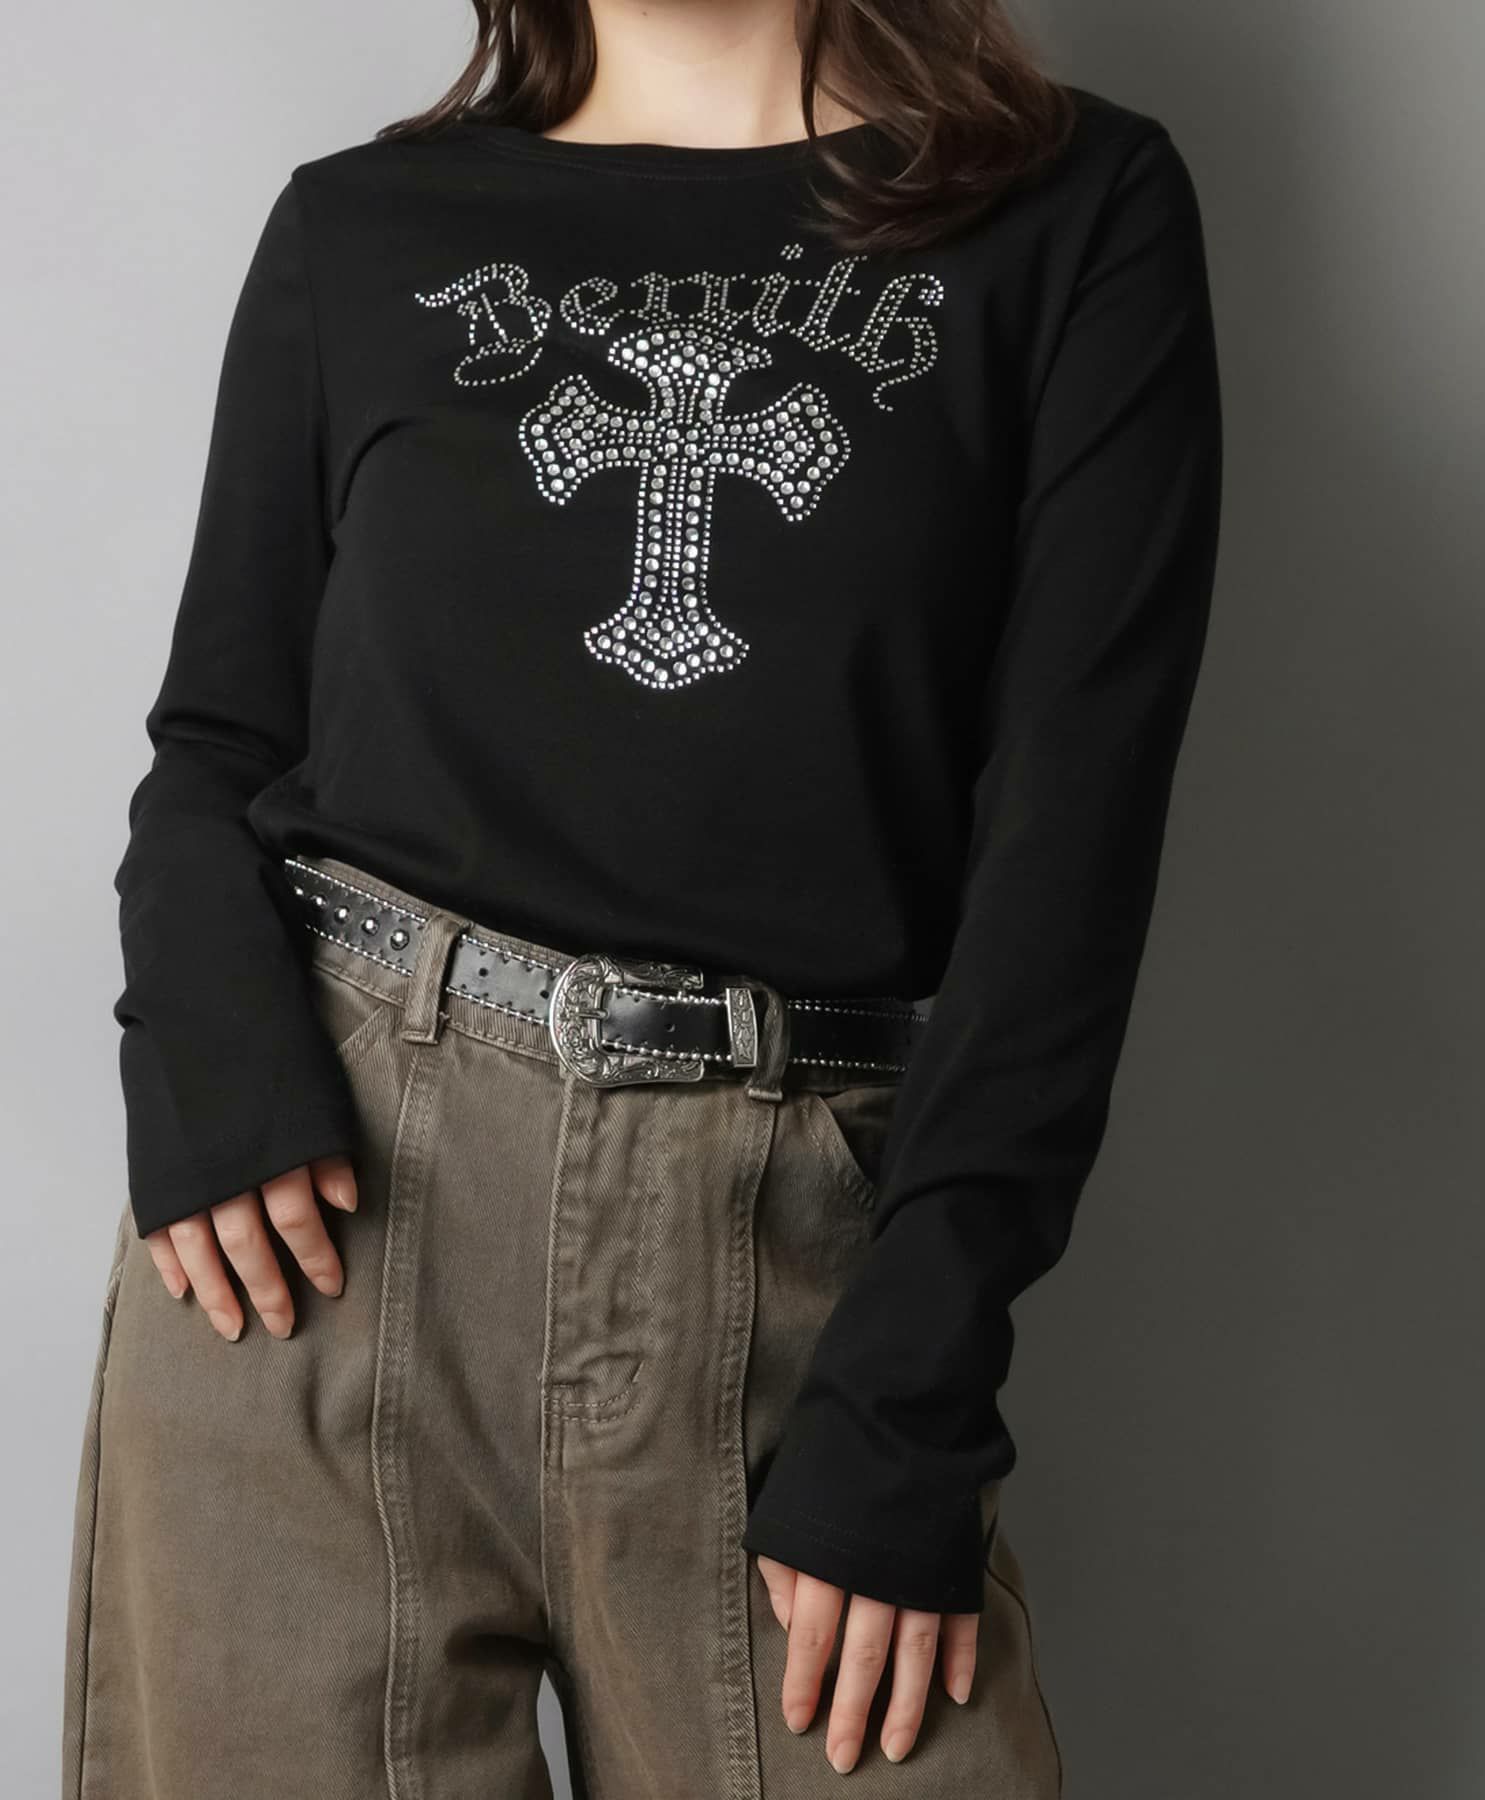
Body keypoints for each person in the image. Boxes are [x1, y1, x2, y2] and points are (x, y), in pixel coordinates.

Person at [61, 0, 1222, 1793]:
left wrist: (916, 1379)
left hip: (796, 1238)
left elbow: (1068, 854)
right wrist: (202, 1042)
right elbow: (218, 737)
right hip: (325, 1233)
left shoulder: (1076, 211)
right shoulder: (363, 227)